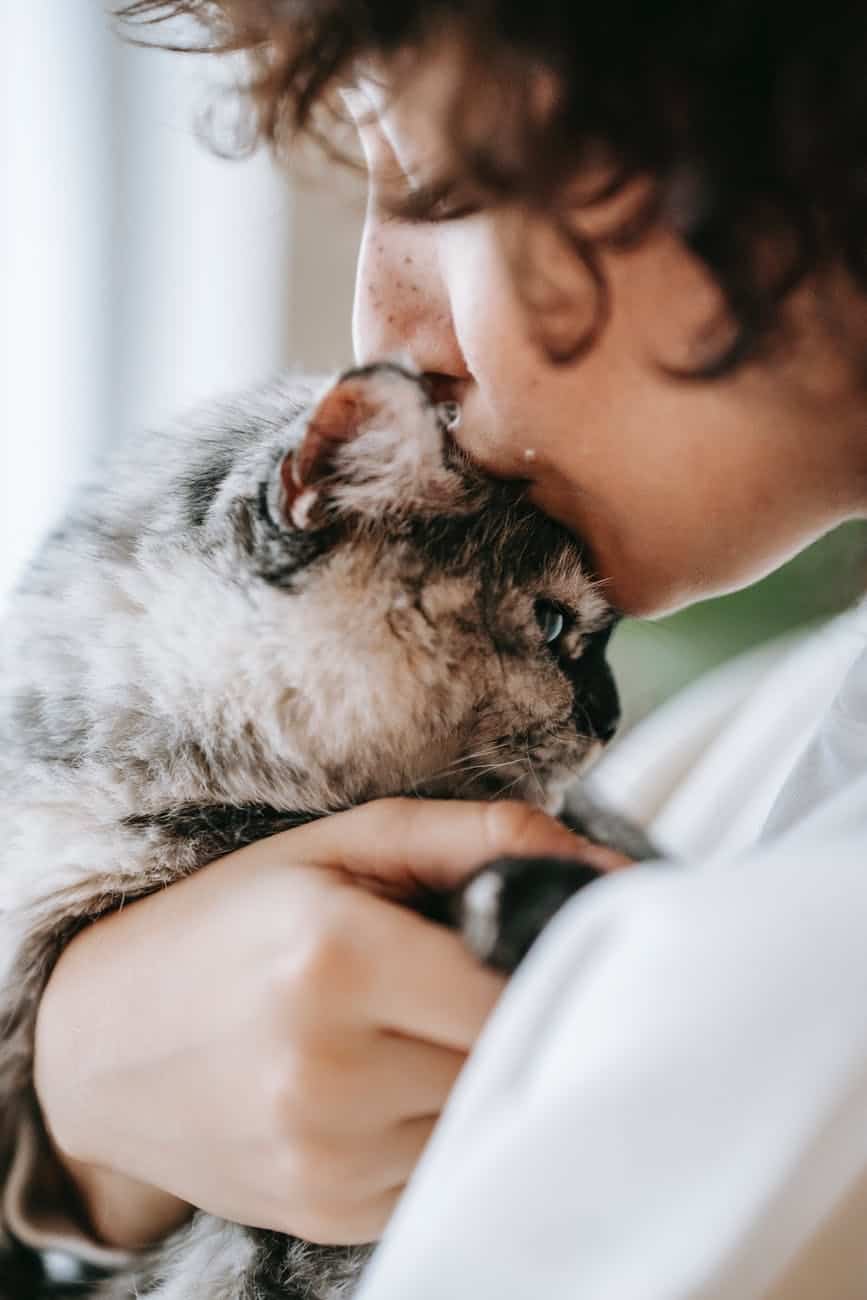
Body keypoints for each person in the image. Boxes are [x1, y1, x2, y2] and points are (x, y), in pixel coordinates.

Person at [9, 2, 867, 1295]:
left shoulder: (803, 961)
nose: (383, 320)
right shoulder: (771, 742)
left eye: (433, 179)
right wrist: (81, 1105)